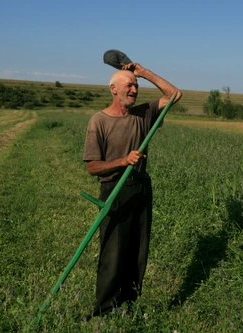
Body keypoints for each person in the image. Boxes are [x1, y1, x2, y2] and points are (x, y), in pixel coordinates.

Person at [82, 62, 182, 317]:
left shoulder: (143, 114)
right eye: (129, 84)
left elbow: (174, 95)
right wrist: (123, 161)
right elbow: (93, 167)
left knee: (138, 250)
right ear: (113, 89)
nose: (135, 89)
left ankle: (128, 305)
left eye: (136, 85)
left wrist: (143, 72)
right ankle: (105, 309)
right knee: (114, 251)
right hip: (114, 189)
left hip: (141, 186)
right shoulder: (99, 121)